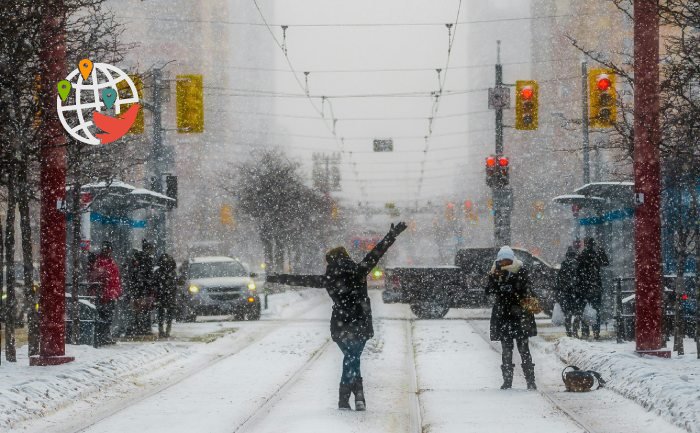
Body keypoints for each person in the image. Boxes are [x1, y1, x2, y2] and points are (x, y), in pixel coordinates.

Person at [266, 222, 407, 411]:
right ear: (346, 257)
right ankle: (357, 396)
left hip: (341, 326)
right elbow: (376, 254)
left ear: (330, 262)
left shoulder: (329, 279)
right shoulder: (359, 271)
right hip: (360, 323)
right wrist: (391, 235)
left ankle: (346, 398)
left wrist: (278, 277)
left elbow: (302, 279)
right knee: (353, 358)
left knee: (350, 357)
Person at [486, 246, 537, 390]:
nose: (505, 263)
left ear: (512, 259)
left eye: (508, 260)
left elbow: (527, 290)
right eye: (503, 261)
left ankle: (530, 381)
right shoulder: (494, 272)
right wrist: (496, 281)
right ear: (498, 260)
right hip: (503, 316)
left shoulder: (521, 271)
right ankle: (507, 381)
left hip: (519, 316)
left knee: (524, 349)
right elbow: (488, 291)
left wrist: (514, 290)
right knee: (506, 350)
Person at [576, 237, 609, 339]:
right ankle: (596, 331)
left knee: (585, 310)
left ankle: (585, 331)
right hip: (595, 286)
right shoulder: (596, 254)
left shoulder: (582, 255)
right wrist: (601, 252)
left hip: (584, 288)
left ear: (585, 244)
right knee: (596, 310)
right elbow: (606, 263)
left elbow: (577, 271)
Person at [90, 241, 122, 345]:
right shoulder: (101, 262)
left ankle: (105, 335)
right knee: (103, 316)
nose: (108, 251)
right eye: (107, 249)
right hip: (105, 294)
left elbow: (115, 279)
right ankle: (102, 336)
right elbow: (97, 277)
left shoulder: (110, 261)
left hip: (110, 294)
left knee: (108, 316)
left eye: (109, 249)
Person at [127, 240, 157, 336]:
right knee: (144, 309)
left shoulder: (140, 259)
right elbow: (146, 275)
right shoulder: (146, 260)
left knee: (138, 309)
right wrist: (148, 283)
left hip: (138, 289)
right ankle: (143, 327)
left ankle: (138, 327)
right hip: (143, 289)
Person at [555, 247, 585, 337]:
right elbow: (581, 278)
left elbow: (559, 279)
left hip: (567, 292)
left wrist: (560, 289)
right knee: (577, 313)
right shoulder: (577, 264)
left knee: (568, 313)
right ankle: (574, 330)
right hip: (576, 293)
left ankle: (569, 331)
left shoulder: (564, 264)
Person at [154, 253, 177, 338]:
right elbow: (174, 284)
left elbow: (155, 283)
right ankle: (166, 330)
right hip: (167, 295)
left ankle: (163, 330)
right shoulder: (172, 272)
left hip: (163, 295)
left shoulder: (159, 272)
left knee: (162, 313)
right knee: (167, 313)